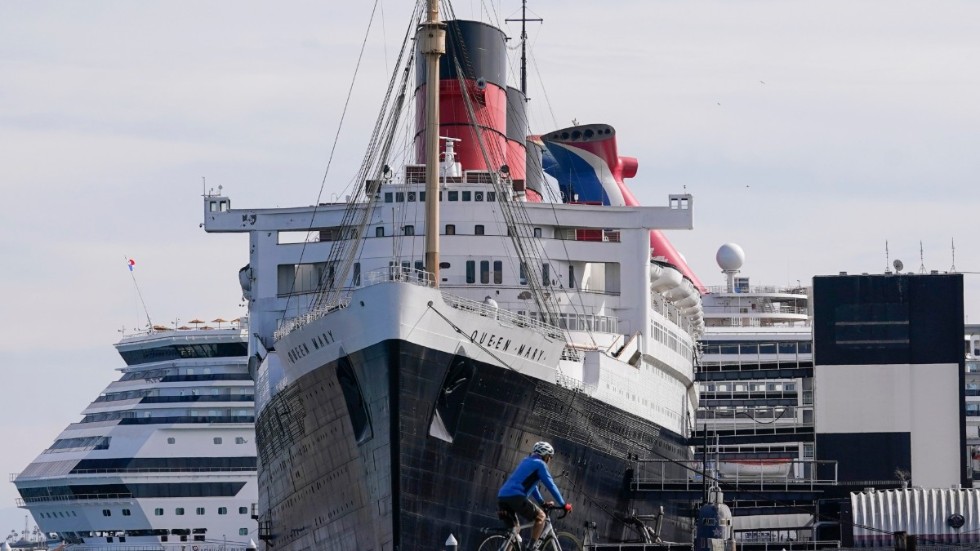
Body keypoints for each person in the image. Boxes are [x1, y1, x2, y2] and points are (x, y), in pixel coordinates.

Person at [497, 441, 572, 551]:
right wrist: (564, 504)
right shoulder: (540, 464)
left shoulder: (526, 461)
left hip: (502, 498)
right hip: (516, 497)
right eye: (550, 457)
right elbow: (551, 485)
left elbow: (533, 487)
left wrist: (541, 502)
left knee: (514, 531)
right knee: (541, 517)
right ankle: (531, 548)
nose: (550, 460)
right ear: (545, 455)